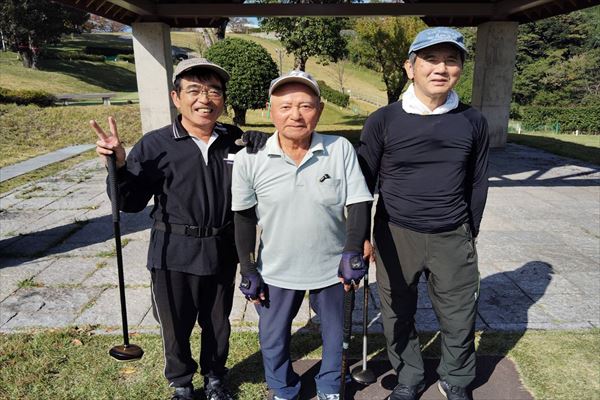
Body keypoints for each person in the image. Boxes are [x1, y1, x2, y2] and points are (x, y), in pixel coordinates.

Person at [92, 58, 267, 400]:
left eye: (214, 91)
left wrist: (262, 142)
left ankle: (215, 378)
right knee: (175, 325)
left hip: (221, 248)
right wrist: (119, 166)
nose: (205, 99)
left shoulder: (233, 139)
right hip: (172, 250)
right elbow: (130, 202)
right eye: (194, 90)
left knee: (218, 322)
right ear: (176, 98)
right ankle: (182, 384)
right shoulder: (155, 144)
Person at [357, 27, 489, 400]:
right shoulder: (383, 120)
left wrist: (469, 229)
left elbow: (478, 181)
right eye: (430, 59)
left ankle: (456, 379)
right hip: (396, 233)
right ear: (410, 67)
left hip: (453, 233)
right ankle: (409, 376)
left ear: (460, 68)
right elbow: (363, 183)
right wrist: (360, 236)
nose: (441, 68)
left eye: (451, 60)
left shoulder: (473, 120)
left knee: (459, 315)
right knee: (397, 312)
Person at [231, 70, 374, 400]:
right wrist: (247, 268)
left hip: (332, 267)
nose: (295, 114)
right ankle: (283, 388)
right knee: (273, 337)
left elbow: (358, 202)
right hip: (276, 268)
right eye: (285, 106)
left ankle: (330, 385)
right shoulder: (249, 158)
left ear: (319, 110)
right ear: (270, 110)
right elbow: (243, 217)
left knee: (336, 334)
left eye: (306, 106)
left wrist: (353, 250)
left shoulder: (339, 149)